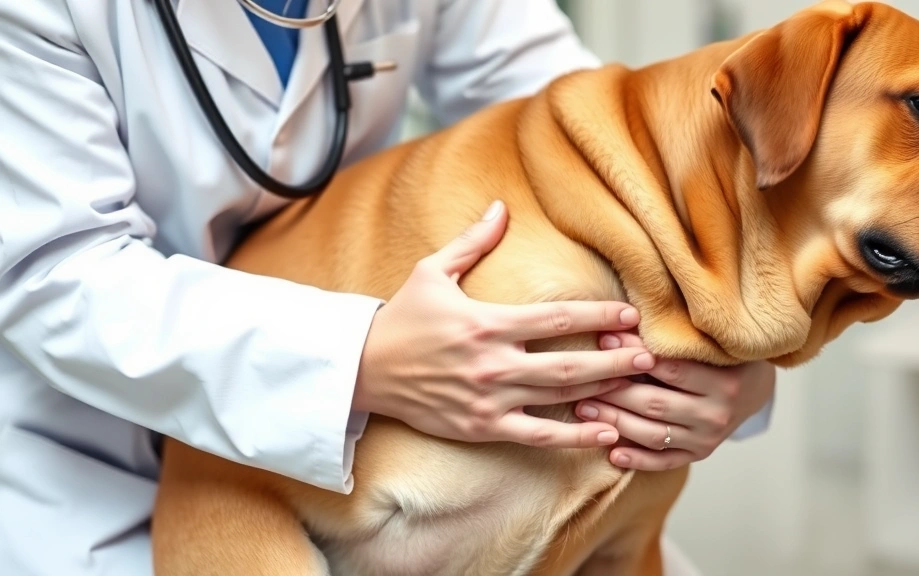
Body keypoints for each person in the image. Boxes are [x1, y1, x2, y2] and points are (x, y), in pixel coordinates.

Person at [0, 1, 776, 574]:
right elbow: (54, 274)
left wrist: (737, 377)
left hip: (365, 458)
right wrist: (362, 357)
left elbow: (598, 136)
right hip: (78, 462)